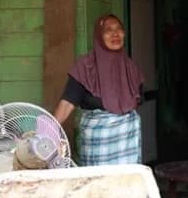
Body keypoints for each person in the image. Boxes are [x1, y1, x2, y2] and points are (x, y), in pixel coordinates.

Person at [54, 14, 144, 166]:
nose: (115, 34)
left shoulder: (132, 68)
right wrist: (48, 132)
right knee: (100, 185)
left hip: (127, 141)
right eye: (108, 30)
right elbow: (67, 104)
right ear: (99, 36)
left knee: (127, 183)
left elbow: (136, 101)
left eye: (119, 29)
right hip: (98, 139)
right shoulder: (85, 67)